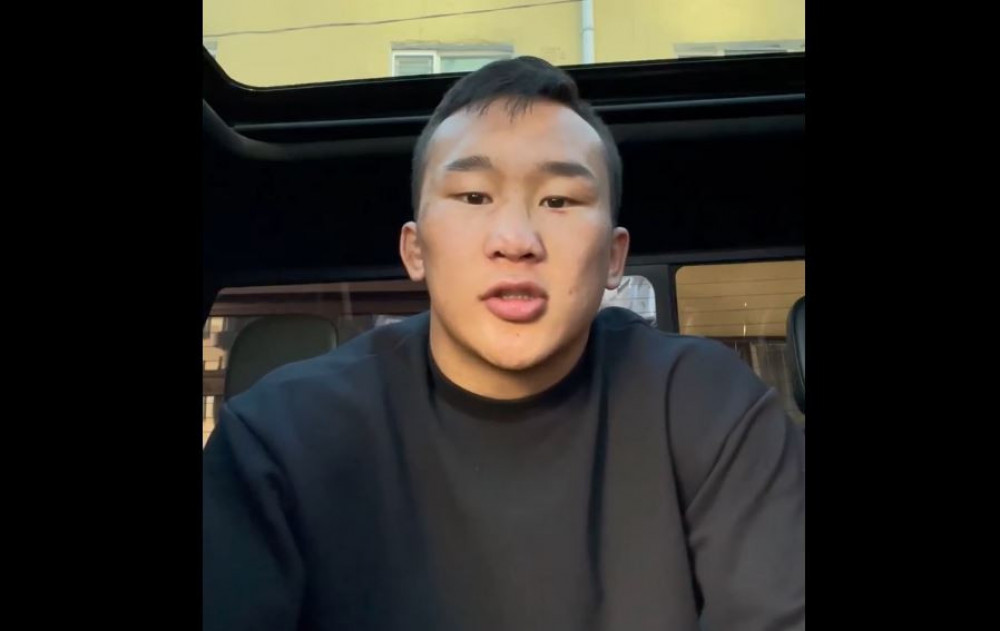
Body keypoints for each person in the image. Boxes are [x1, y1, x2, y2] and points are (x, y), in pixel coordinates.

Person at [203, 56, 805, 631]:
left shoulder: (710, 408)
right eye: (473, 197)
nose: (515, 240)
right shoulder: (278, 439)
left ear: (613, 256)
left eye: (559, 200)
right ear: (415, 249)